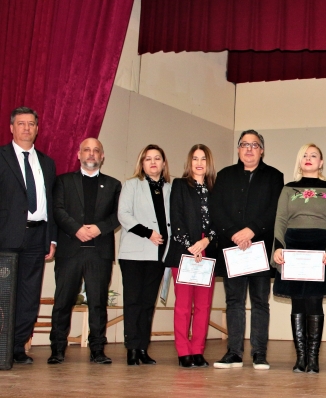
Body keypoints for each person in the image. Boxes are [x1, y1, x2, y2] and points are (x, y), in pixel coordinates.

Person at [211, 130, 284, 370]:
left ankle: (259, 353)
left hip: (260, 247)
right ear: (239, 149)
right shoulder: (224, 175)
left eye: (255, 145)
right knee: (234, 301)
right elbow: (216, 210)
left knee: (260, 302)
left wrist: (251, 230)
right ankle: (233, 352)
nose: (249, 149)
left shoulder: (274, 177)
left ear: (262, 150)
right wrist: (234, 233)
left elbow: (275, 211)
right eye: (244, 144)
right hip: (232, 248)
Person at [271, 144, 326, 373]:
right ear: (299, 161)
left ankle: (313, 359)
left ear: (321, 162)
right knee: (297, 301)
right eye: (305, 155)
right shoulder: (288, 189)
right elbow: (280, 220)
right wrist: (278, 248)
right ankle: (300, 358)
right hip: (293, 248)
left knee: (314, 301)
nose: (309, 158)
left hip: (321, 249)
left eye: (314, 155)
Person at [49, 138, 121, 365]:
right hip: (70, 250)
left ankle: (97, 350)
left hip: (99, 253)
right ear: (78, 155)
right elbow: (57, 210)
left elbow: (119, 215)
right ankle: (57, 349)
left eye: (96, 150)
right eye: (87, 150)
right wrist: (76, 229)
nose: (91, 154)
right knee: (62, 301)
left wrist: (99, 228)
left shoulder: (114, 185)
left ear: (102, 156)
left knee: (98, 303)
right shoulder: (63, 182)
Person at [0, 106, 56, 364]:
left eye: (31, 124)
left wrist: (51, 238)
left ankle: (17, 348)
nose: (26, 128)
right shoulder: (1, 157)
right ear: (11, 128)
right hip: (6, 238)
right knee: (4, 294)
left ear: (37, 128)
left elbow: (52, 204)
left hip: (37, 236)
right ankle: (2, 347)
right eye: (21, 123)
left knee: (29, 296)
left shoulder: (47, 162)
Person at [164, 144, 218, 368]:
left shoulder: (216, 188)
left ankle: (197, 350)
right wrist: (191, 246)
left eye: (203, 159)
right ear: (189, 162)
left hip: (208, 250)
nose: (199, 163)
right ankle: (183, 351)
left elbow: (220, 221)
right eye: (195, 158)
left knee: (204, 306)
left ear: (209, 163)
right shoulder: (179, 185)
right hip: (184, 252)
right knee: (184, 305)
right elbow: (175, 219)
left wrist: (206, 241)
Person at [118, 144, 171, 366]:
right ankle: (131, 349)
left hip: (159, 254)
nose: (152, 162)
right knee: (133, 302)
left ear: (163, 163)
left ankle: (142, 348)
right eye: (148, 159)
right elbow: (124, 215)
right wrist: (148, 233)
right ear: (142, 163)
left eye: (157, 158)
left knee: (148, 303)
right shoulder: (131, 185)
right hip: (133, 253)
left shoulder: (170, 188)